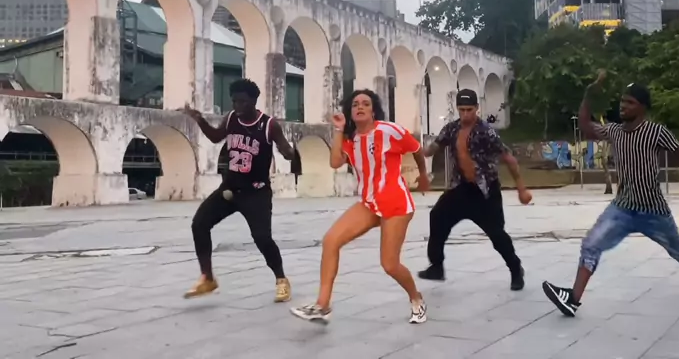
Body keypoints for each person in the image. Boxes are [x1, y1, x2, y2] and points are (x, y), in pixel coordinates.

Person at [542, 71, 679, 317]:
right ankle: (573, 299)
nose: (623, 106)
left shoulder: (656, 133)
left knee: (678, 249)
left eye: (630, 102)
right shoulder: (614, 131)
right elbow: (585, 126)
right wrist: (588, 94)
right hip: (623, 208)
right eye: (622, 101)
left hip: (653, 211)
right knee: (591, 244)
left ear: (642, 107)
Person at [290, 89, 431, 325]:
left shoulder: (389, 131)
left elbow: (416, 148)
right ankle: (322, 305)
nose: (360, 107)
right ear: (350, 111)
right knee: (331, 240)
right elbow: (335, 162)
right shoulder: (350, 139)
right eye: (355, 104)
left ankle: (416, 298)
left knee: (390, 264)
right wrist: (338, 129)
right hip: (368, 203)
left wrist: (423, 175)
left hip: (395, 204)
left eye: (366, 103)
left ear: (373, 110)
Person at [182, 78, 297, 303]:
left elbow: (285, 148)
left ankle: (281, 279)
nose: (237, 106)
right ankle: (207, 278)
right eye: (234, 101)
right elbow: (216, 137)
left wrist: (289, 153)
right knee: (199, 224)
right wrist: (199, 119)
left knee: (262, 238)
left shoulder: (269, 125)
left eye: (242, 101)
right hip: (230, 188)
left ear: (254, 101)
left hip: (256, 192)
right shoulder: (231, 118)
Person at [418, 89, 532, 291]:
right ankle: (436, 266)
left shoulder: (486, 131)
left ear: (477, 108)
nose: (465, 114)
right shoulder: (451, 129)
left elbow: (508, 158)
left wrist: (521, 189)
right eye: (461, 110)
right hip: (460, 189)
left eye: (469, 110)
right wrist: (417, 150)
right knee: (437, 216)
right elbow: (433, 148)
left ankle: (516, 269)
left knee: (497, 234)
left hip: (485, 192)